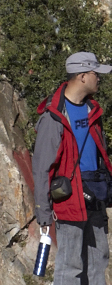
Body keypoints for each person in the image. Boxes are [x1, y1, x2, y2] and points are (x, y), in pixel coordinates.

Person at [35, 50, 112, 283]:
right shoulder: (54, 116)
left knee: (99, 263)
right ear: (81, 76)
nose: (99, 78)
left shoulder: (93, 111)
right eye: (95, 73)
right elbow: (41, 168)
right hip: (69, 202)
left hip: (95, 198)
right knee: (71, 267)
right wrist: (43, 211)